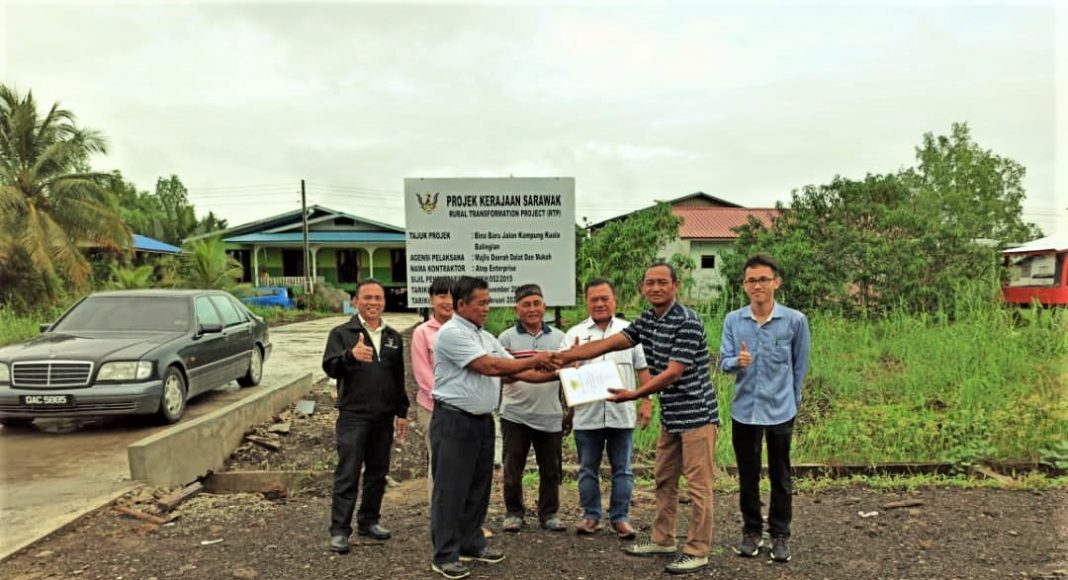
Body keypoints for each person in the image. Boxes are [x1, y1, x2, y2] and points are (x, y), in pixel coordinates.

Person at [553, 262, 719, 575]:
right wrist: (561, 357)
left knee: (699, 486)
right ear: (642, 288)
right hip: (671, 416)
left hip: (697, 415)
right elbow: (607, 344)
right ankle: (663, 539)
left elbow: (672, 373)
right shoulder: (647, 321)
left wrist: (636, 394)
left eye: (662, 282)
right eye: (649, 282)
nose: (655, 288)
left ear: (675, 285)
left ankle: (697, 550)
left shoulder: (687, 322)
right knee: (664, 479)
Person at [430, 276, 558, 580]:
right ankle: (445, 554)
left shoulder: (485, 337)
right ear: (462, 304)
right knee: (451, 489)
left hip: (482, 421)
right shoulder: (451, 334)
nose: (487, 308)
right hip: (454, 420)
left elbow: (514, 373)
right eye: (481, 303)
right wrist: (536, 360)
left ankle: (470, 542)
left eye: (488, 302)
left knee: (478, 486)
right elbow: (491, 367)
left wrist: (561, 371)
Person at [719, 254, 810, 564]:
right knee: (748, 475)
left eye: (763, 279)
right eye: (751, 280)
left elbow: (799, 366)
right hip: (745, 410)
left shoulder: (794, 321)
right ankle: (752, 531)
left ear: (776, 283)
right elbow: (724, 361)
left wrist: (793, 402)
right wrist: (737, 361)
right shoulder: (734, 320)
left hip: (781, 409)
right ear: (744, 286)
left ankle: (780, 534)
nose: (757, 285)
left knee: (781, 474)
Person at [559, 278, 652, 540]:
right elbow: (561, 371)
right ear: (586, 302)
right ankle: (591, 516)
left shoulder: (630, 332)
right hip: (587, 415)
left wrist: (646, 401)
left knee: (623, 469)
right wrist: (570, 363)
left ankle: (620, 519)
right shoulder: (574, 334)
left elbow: (643, 369)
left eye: (604, 298)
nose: (599, 304)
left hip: (621, 413)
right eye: (594, 299)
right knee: (587, 468)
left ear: (614, 301)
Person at [321, 279, 409, 554]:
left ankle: (369, 521)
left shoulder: (393, 337)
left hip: (383, 416)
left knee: (378, 472)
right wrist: (351, 356)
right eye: (367, 297)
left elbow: (398, 377)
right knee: (348, 472)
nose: (373, 302)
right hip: (354, 416)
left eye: (378, 298)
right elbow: (330, 367)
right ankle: (339, 530)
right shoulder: (341, 333)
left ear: (384, 302)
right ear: (356, 301)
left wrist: (402, 411)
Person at [497, 284, 568, 532]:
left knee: (551, 469)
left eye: (537, 303)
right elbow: (505, 375)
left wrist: (570, 410)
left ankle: (549, 514)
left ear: (544, 306)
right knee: (512, 468)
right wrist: (547, 371)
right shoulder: (506, 338)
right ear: (516, 309)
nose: (532, 309)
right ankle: (514, 512)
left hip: (550, 414)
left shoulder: (560, 338)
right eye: (526, 304)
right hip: (515, 414)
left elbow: (567, 372)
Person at [410, 277, 454, 501]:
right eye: (442, 296)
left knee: (460, 461)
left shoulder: (465, 329)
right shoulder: (423, 332)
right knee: (438, 461)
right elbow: (423, 374)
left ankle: (461, 513)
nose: (448, 301)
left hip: (462, 408)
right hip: (432, 408)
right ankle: (439, 513)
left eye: (452, 296)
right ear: (431, 300)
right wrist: (447, 398)